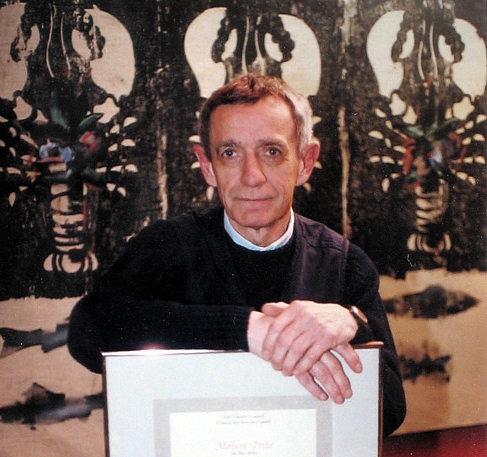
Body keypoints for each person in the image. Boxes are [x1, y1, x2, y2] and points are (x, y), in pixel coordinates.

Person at [68, 74, 406, 436]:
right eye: (230, 153)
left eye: (271, 152)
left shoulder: (344, 264)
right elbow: (87, 332)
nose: (251, 176)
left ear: (305, 162)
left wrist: (353, 322)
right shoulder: (167, 247)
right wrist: (244, 329)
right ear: (208, 165)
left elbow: (391, 413)